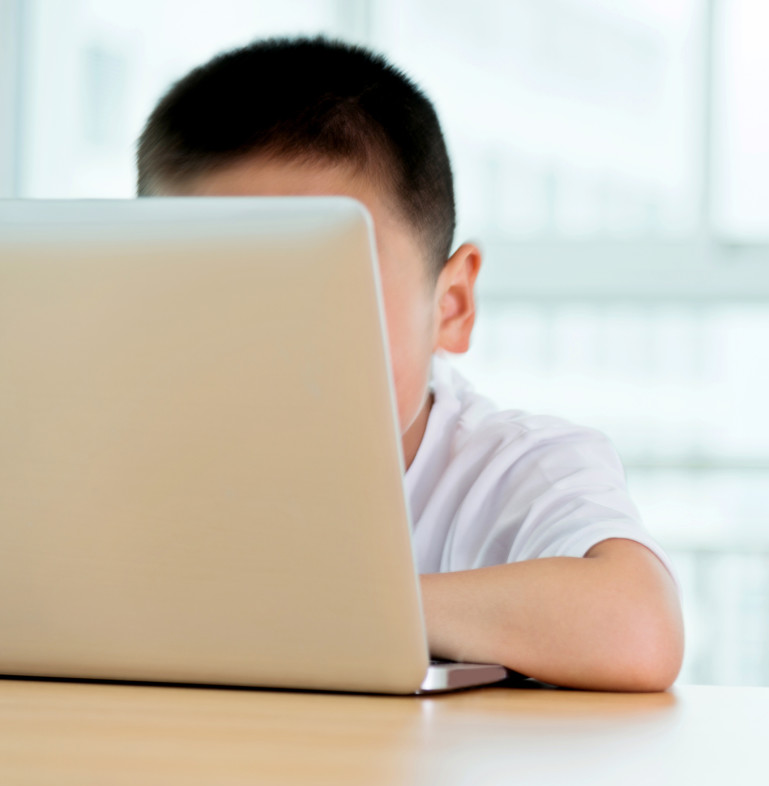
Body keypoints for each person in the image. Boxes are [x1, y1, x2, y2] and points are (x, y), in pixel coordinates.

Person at [135, 36, 684, 692]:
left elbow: (639, 627)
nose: (266, 347)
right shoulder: (126, 455)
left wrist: (332, 609)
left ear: (449, 306)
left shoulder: (511, 470)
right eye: (210, 297)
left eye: (329, 288)